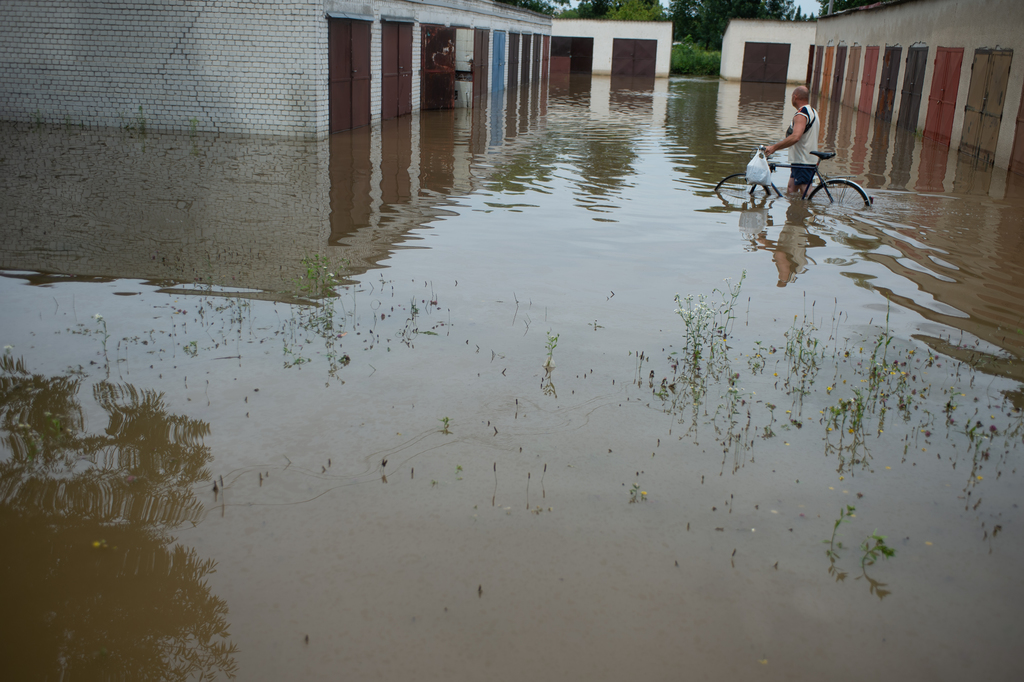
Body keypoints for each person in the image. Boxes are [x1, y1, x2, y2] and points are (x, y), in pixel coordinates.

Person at [765, 86, 818, 196]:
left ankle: (810, 212)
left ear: (795, 97)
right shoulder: (813, 111)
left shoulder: (801, 114)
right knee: (791, 189)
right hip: (803, 159)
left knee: (806, 193)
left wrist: (774, 147)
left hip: (803, 160)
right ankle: (793, 210)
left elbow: (795, 137)